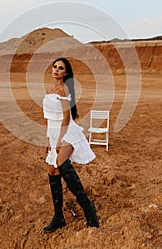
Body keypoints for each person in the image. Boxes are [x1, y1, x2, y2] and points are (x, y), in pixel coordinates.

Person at [42, 57, 99, 233]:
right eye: (55, 67)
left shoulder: (64, 88)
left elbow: (66, 117)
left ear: (65, 73)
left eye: (60, 68)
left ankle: (89, 209)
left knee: (61, 164)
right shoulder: (50, 89)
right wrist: (48, 139)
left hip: (66, 131)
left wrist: (59, 139)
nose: (56, 70)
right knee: (53, 170)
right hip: (53, 131)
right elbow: (50, 117)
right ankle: (59, 217)